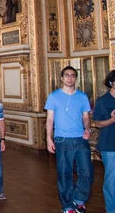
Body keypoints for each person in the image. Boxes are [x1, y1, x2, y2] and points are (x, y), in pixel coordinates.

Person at [45, 66, 93, 213]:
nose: (70, 78)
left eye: (73, 75)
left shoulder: (82, 97)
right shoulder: (54, 96)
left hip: (80, 139)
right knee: (64, 173)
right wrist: (48, 138)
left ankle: (78, 199)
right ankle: (67, 205)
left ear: (75, 78)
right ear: (62, 78)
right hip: (62, 139)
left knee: (86, 171)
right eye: (67, 75)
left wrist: (87, 128)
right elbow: (50, 119)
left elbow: (86, 117)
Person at [94, 70, 115, 213]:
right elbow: (98, 123)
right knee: (112, 180)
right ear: (112, 83)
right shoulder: (103, 101)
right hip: (110, 144)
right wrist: (113, 119)